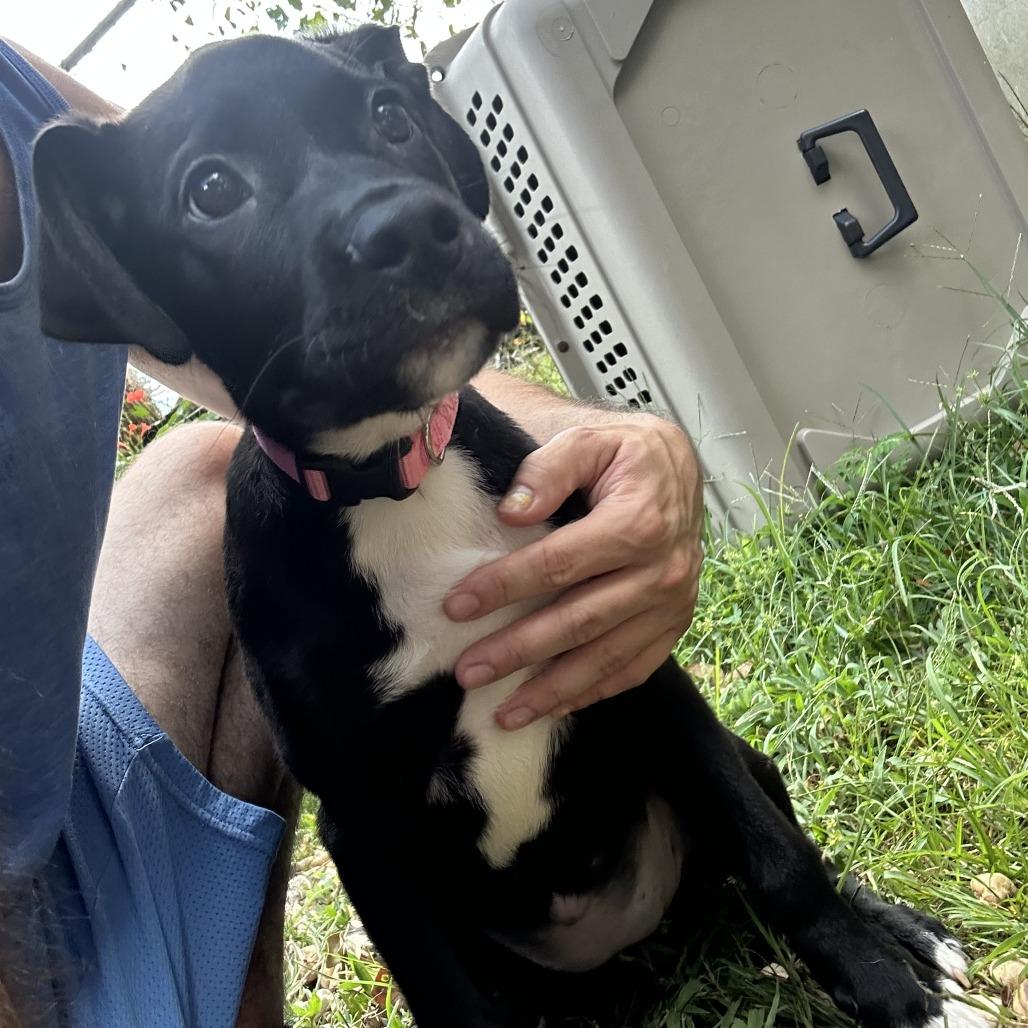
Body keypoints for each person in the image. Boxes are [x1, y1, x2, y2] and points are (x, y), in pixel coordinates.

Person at [0, 33, 704, 1028]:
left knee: (209, 475)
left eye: (383, 124)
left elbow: (239, 324)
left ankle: (215, 967)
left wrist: (587, 444)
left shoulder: (28, 104)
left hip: (66, 820)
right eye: (213, 188)